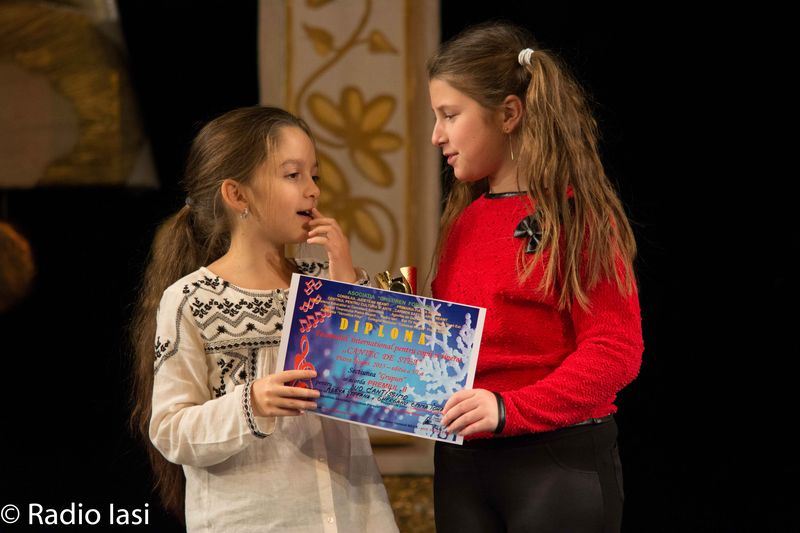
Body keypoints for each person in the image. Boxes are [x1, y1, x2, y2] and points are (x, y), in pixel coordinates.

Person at [130, 106, 398, 532]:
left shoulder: (327, 285)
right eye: (293, 175)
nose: (312, 190)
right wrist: (250, 404)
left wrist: (346, 284)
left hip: (355, 518)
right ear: (237, 195)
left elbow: (389, 392)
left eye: (315, 176)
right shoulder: (191, 300)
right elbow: (170, 430)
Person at [427, 21, 644, 533]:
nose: (437, 135)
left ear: (508, 114)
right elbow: (447, 350)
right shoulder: (464, 222)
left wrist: (509, 408)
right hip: (461, 464)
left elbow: (615, 350)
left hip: (554, 462)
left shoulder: (579, 217)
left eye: (450, 115)